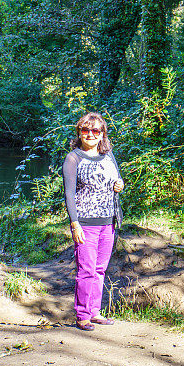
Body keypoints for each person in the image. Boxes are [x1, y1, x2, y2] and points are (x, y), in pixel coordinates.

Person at [62, 112, 124, 331]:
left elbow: (118, 178)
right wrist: (74, 223)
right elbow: (69, 194)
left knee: (100, 269)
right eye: (85, 130)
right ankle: (82, 315)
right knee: (86, 270)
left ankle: (95, 312)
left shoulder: (108, 155)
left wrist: (120, 185)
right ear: (79, 132)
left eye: (95, 130)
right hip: (85, 223)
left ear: (102, 134)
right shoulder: (74, 158)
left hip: (108, 221)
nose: (90, 134)